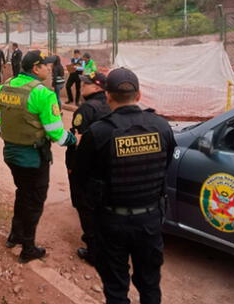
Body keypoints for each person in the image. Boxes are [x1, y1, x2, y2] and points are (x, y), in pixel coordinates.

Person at [75, 68, 174, 304]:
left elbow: (80, 177)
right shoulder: (161, 127)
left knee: (116, 287)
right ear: (138, 95)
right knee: (150, 284)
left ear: (107, 96)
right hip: (150, 220)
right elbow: (166, 165)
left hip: (111, 222)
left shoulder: (98, 133)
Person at [0, 50, 77, 263]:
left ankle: (14, 235)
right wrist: (74, 140)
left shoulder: (6, 86)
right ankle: (28, 247)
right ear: (35, 68)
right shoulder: (43, 94)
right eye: (45, 66)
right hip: (34, 158)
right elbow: (57, 134)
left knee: (22, 193)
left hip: (11, 153)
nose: (49, 69)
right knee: (35, 200)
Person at [66, 71, 110, 266]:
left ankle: (94, 251)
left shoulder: (86, 109)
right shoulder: (112, 104)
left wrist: (71, 166)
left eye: (86, 84)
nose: (82, 87)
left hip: (86, 168)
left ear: (98, 87)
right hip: (106, 166)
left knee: (85, 207)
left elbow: (77, 142)